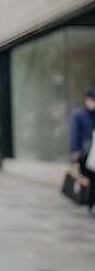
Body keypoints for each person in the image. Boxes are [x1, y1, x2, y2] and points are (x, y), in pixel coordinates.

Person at [69, 87, 95, 218]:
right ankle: (91, 204)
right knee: (91, 178)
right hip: (84, 153)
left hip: (93, 152)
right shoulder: (78, 114)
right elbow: (73, 133)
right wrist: (74, 150)